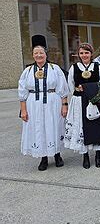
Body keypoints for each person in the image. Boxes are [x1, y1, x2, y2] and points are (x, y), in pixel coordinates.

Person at [18, 35, 69, 171]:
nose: (39, 55)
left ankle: (57, 155)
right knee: (39, 128)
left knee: (53, 126)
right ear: (33, 55)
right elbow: (22, 93)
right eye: (36, 53)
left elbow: (62, 88)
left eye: (41, 53)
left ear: (46, 54)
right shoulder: (27, 71)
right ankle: (43, 158)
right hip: (33, 105)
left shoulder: (55, 69)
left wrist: (64, 105)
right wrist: (23, 110)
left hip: (53, 103)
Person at [64, 43, 100, 169]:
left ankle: (98, 155)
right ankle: (85, 156)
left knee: (96, 126)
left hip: (95, 99)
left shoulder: (98, 67)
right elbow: (71, 84)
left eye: (86, 53)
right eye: (81, 53)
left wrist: (89, 89)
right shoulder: (74, 67)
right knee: (82, 127)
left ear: (91, 54)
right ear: (78, 54)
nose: (84, 55)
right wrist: (78, 93)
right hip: (79, 101)